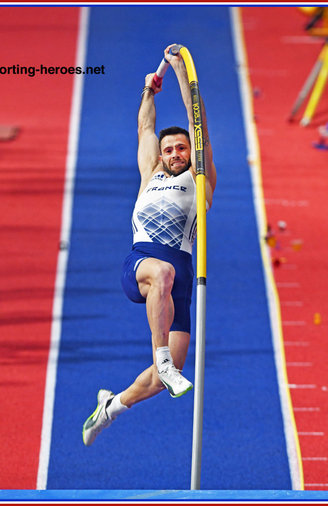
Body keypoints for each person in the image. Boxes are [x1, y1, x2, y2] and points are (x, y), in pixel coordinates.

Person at [83, 44, 216, 447]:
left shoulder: (201, 181)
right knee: (162, 272)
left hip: (180, 280)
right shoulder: (150, 173)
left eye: (181, 149)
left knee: (164, 378)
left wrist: (180, 72)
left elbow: (199, 129)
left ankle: (111, 406)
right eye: (168, 149)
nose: (175, 153)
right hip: (142, 263)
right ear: (160, 155)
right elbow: (144, 129)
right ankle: (161, 358)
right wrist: (148, 92)